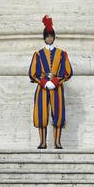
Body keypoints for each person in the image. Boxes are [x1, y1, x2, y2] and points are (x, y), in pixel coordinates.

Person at [27, 15, 73, 150]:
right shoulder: (38, 54)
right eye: (47, 36)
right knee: (41, 113)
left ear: (54, 37)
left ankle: (57, 142)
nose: (49, 38)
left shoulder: (62, 54)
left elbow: (68, 71)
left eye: (51, 36)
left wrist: (56, 81)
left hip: (56, 87)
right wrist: (43, 82)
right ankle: (42, 142)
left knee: (58, 113)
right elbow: (32, 72)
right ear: (44, 38)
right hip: (42, 88)